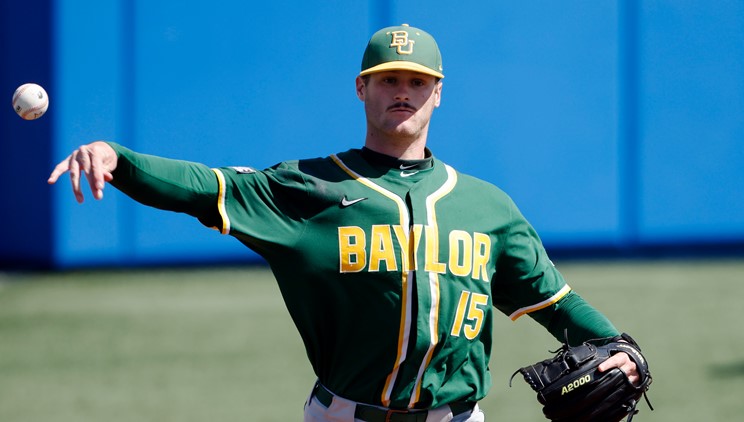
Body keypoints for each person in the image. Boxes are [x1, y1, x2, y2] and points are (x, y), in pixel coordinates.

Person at [49, 24, 639, 422]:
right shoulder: (306, 188)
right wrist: (118, 160)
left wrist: (620, 347)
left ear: (438, 95)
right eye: (388, 79)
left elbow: (554, 302)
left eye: (417, 82)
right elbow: (206, 187)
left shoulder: (487, 207)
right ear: (362, 88)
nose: (403, 92)